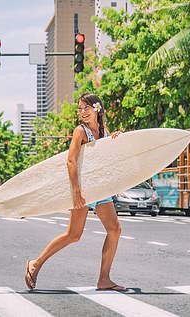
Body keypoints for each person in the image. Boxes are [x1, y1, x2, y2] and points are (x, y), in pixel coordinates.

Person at [25, 93, 125, 291]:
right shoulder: (81, 131)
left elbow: (109, 155)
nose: (82, 112)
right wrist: (76, 191)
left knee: (114, 230)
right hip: (84, 188)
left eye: (86, 108)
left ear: (97, 108)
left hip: (100, 188)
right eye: (80, 109)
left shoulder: (104, 130)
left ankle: (104, 279)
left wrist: (116, 138)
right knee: (73, 235)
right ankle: (35, 264)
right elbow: (71, 161)